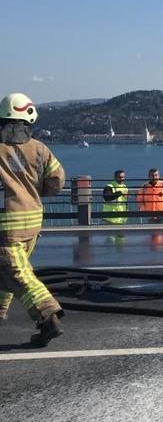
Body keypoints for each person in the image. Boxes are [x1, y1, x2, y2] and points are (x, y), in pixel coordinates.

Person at [0, 93, 66, 346]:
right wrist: (31, 192)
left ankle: (47, 316)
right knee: (5, 274)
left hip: (5, 225)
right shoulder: (39, 148)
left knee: (18, 274)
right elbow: (57, 181)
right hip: (32, 222)